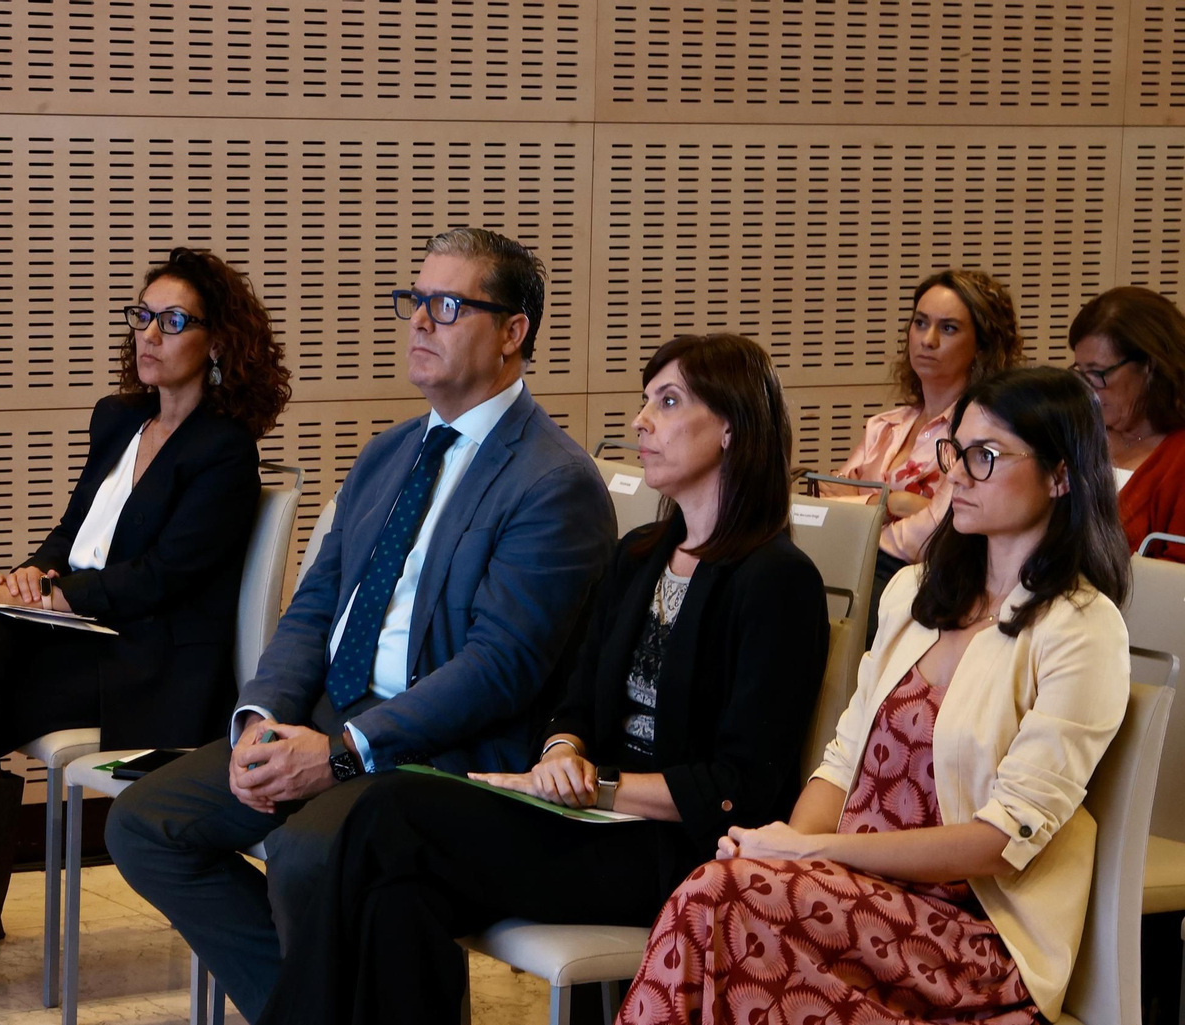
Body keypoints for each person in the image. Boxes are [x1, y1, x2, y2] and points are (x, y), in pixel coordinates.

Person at [106, 227, 617, 1022]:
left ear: (513, 333)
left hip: (438, 754)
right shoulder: (388, 453)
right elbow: (314, 607)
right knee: (148, 822)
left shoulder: (554, 481)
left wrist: (345, 752)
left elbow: (499, 668)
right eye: (415, 300)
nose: (419, 321)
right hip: (327, 720)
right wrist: (262, 718)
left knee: (312, 852)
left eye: (447, 306)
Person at [255, 334, 831, 1025]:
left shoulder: (777, 580)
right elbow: (575, 700)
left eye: (669, 402)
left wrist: (596, 787)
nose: (642, 421)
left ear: (733, 428)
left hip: (675, 849)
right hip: (590, 818)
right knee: (394, 897)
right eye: (644, 400)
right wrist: (563, 750)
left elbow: (747, 784)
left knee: (390, 810)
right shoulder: (642, 554)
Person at [0, 246, 291, 1022]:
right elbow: (70, 534)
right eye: (142, 315)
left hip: (151, 662)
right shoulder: (118, 419)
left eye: (174, 320)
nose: (150, 333)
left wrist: (53, 593)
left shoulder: (224, 450)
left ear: (217, 342)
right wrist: (21, 578)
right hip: (84, 633)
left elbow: (163, 579)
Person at [618, 365, 1132, 1025]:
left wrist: (814, 853)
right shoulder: (916, 593)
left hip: (966, 934)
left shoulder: (1080, 628)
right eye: (956, 452)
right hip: (854, 895)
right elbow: (843, 758)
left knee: (716, 900)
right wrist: (783, 846)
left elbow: (1001, 840)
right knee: (728, 894)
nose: (957, 476)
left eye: (987, 457)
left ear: (1061, 475)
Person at [820, 269, 1022, 644]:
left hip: (929, 583)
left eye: (948, 329)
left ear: (981, 345)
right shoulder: (885, 426)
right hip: (858, 569)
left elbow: (935, 535)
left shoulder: (984, 434)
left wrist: (865, 509)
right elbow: (828, 503)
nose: (927, 340)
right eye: (920, 323)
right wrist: (894, 502)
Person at [1069, 286, 1185, 562]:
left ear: (1150, 365)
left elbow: (1174, 583)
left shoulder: (1178, 456)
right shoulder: (1077, 433)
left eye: (1098, 373)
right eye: (1081, 372)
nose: (1089, 388)